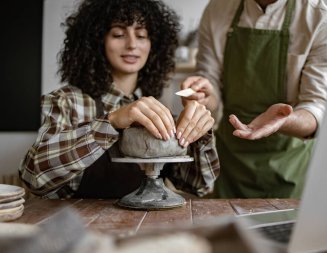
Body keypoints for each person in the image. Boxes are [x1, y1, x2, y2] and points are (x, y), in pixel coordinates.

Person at [19, 0, 219, 199]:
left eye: (141, 35)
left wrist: (198, 136)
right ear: (97, 40)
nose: (132, 44)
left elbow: (198, 186)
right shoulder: (68, 101)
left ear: (153, 45)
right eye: (118, 34)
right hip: (83, 227)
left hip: (145, 227)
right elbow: (33, 177)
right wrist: (111, 122)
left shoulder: (159, 107)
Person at [181, 0, 327, 198]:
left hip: (289, 165)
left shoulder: (321, 20)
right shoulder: (218, 10)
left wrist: (284, 119)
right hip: (230, 161)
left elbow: (318, 107)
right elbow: (210, 82)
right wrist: (203, 96)